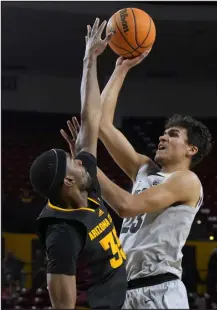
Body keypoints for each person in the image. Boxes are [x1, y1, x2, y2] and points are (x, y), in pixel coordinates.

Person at [61, 54, 212, 308]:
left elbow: (126, 206)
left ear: (191, 150)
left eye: (173, 135)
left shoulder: (187, 181)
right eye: (163, 133)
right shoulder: (144, 169)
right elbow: (104, 124)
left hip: (160, 289)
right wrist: (121, 69)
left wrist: (86, 167)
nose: (162, 138)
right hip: (125, 290)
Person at [29, 19, 127, 310]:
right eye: (73, 162)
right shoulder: (61, 236)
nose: (81, 161)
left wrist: (90, 58)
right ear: (67, 182)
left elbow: (89, 118)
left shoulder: (84, 180)